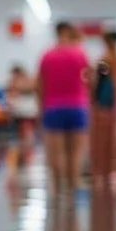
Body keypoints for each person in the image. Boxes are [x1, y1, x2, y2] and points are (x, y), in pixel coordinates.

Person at [37, 21, 91, 195]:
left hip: (53, 107)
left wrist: (41, 108)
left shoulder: (47, 56)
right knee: (75, 152)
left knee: (57, 152)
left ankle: (59, 188)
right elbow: (89, 80)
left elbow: (40, 85)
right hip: (77, 106)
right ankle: (73, 185)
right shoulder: (80, 54)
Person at [89, 31, 116, 189]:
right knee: (104, 141)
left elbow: (98, 84)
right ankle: (102, 173)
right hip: (106, 106)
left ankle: (106, 172)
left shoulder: (109, 59)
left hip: (109, 105)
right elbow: (101, 85)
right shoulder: (109, 60)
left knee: (107, 141)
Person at [6, 64, 38, 143]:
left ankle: (27, 148)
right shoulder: (30, 80)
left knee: (25, 131)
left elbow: (12, 95)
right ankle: (27, 148)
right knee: (26, 131)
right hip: (29, 110)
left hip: (25, 111)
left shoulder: (17, 81)